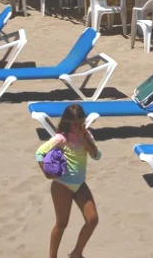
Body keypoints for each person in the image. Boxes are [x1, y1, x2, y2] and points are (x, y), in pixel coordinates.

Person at [37, 103, 100, 258]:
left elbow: (96, 155)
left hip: (79, 184)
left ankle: (76, 253)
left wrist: (84, 137)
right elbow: (39, 153)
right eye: (75, 124)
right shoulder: (61, 138)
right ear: (67, 123)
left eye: (81, 123)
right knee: (62, 224)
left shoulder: (87, 135)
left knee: (92, 220)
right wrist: (47, 173)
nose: (78, 126)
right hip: (62, 185)